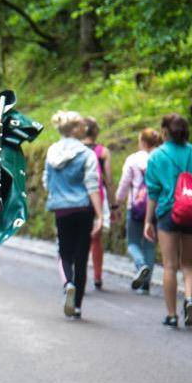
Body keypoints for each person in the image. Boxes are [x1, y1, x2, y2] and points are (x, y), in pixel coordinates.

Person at [143, 112, 192, 328]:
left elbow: (153, 192)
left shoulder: (156, 156)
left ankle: (172, 314)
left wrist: (148, 221)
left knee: (170, 266)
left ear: (164, 131)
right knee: (189, 264)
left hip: (168, 213)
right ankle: (189, 298)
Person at [43, 110, 104, 318]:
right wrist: (100, 214)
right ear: (76, 129)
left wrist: (58, 194)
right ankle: (77, 305)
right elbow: (92, 185)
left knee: (64, 252)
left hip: (62, 209)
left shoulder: (52, 152)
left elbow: (46, 181)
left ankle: (68, 283)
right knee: (81, 256)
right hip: (84, 209)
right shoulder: (87, 154)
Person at [113, 127, 161, 293]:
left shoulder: (133, 160)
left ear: (142, 142)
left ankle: (140, 265)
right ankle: (146, 284)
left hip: (135, 207)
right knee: (150, 245)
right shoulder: (160, 159)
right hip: (156, 207)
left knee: (133, 242)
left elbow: (124, 184)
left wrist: (117, 202)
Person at [82, 117, 112, 290]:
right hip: (98, 197)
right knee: (96, 238)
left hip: (78, 197)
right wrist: (114, 205)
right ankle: (98, 276)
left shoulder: (76, 150)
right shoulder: (103, 152)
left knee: (80, 239)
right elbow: (108, 180)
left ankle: (80, 274)